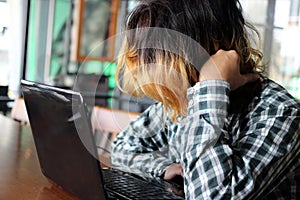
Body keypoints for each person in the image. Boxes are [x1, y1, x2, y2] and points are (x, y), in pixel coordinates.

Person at [110, 0, 300, 199]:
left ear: (213, 47)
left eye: (158, 57)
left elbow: (210, 196)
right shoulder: (183, 101)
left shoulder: (281, 113)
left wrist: (211, 86)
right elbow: (123, 147)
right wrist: (163, 167)